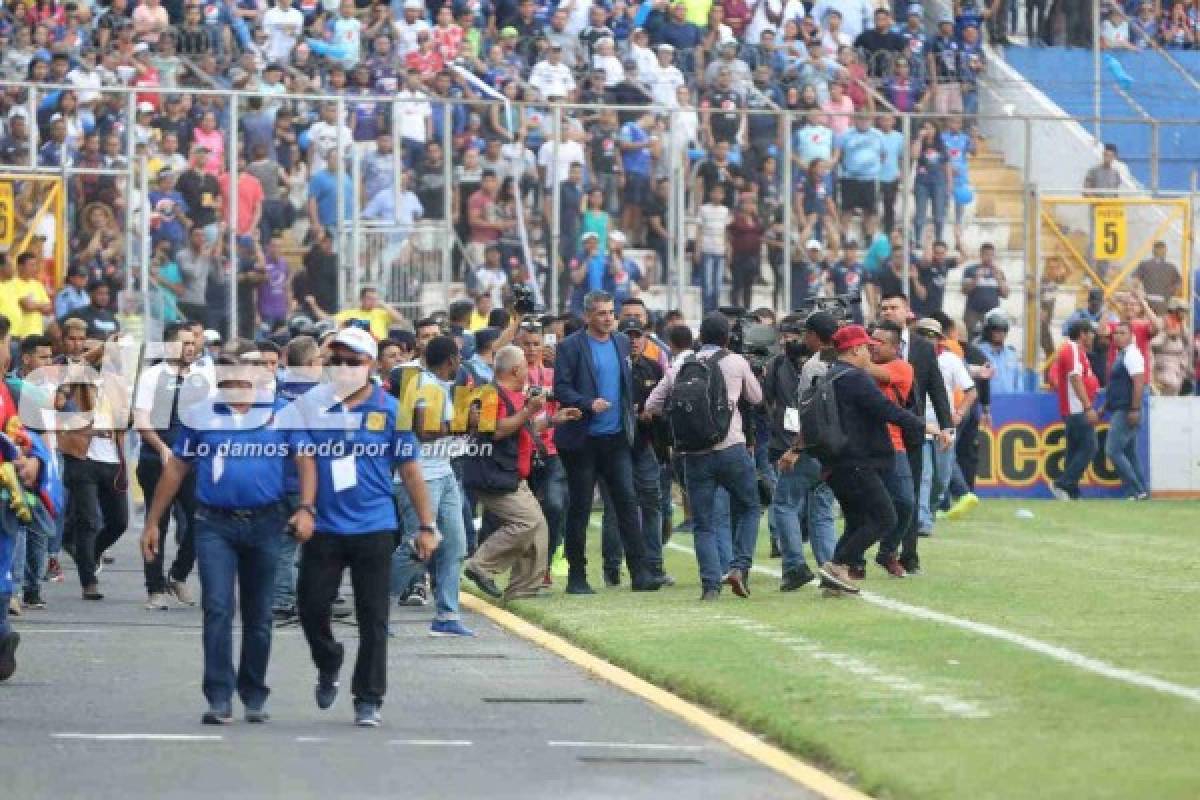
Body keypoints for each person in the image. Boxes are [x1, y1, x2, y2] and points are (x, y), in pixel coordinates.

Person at [141, 353, 315, 724]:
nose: (236, 388)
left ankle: (254, 692)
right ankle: (219, 696)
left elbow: (305, 460)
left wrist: (307, 507)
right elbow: (176, 468)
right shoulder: (201, 415)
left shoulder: (282, 412)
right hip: (214, 524)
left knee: (258, 612)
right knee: (217, 607)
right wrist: (153, 521)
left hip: (266, 522)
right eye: (228, 381)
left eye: (242, 380)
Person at [288, 327, 438, 727]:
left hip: (374, 526)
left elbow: (409, 469)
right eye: (335, 361)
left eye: (352, 361)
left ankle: (368, 697)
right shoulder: (310, 407)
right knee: (311, 607)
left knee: (373, 617)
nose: (343, 368)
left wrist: (426, 525)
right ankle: (329, 659)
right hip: (325, 526)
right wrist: (304, 508)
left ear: (370, 365)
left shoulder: (391, 410)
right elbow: (302, 459)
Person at [644, 312, 763, 601]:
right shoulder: (735, 362)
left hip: (694, 454)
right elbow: (757, 398)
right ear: (726, 337)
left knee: (703, 523)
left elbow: (652, 405)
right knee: (749, 507)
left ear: (700, 338)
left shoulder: (683, 364)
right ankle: (739, 566)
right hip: (731, 447)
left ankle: (710, 585)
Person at [553, 291, 663, 594]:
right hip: (582, 440)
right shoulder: (570, 346)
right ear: (588, 315)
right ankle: (577, 575)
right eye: (601, 313)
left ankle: (640, 572)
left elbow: (629, 384)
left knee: (628, 503)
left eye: (610, 313)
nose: (608, 318)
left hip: (616, 438)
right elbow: (560, 387)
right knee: (581, 507)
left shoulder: (622, 343)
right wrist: (588, 403)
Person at [817, 324, 934, 596]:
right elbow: (884, 409)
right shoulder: (855, 378)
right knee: (885, 517)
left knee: (858, 521)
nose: (870, 352)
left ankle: (834, 580)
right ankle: (836, 565)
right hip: (857, 461)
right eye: (867, 347)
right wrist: (921, 425)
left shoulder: (829, 376)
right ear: (856, 349)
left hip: (836, 462)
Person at [463, 345, 580, 599]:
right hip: (494, 475)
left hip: (511, 474)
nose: (528, 371)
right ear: (516, 369)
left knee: (538, 530)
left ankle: (522, 590)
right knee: (526, 522)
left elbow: (522, 429)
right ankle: (480, 565)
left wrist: (552, 419)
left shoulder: (513, 395)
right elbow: (495, 430)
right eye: (526, 366)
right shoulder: (490, 394)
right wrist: (529, 410)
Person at [390, 335, 473, 636]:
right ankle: (371, 603)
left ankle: (447, 616)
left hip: (444, 471)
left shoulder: (443, 386)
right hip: (420, 477)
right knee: (418, 548)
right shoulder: (423, 386)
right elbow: (423, 430)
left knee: (455, 545)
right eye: (459, 358)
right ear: (451, 360)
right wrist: (458, 425)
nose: (461, 363)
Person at [133, 323, 208, 610]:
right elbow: (142, 421)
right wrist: (164, 449)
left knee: (202, 520)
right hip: (157, 462)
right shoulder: (152, 377)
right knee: (158, 524)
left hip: (193, 462)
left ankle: (178, 574)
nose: (191, 348)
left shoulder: (202, 378)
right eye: (184, 343)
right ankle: (154, 588)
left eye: (193, 343)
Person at [877, 293, 953, 575]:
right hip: (878, 431)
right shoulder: (872, 346)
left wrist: (946, 425)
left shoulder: (922, 347)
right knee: (881, 495)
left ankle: (908, 555)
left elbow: (936, 387)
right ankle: (876, 552)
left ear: (908, 311)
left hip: (910, 431)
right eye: (884, 308)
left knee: (910, 495)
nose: (888, 312)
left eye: (894, 307)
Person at [765, 313, 836, 591]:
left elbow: (808, 413)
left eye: (806, 333)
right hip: (837, 450)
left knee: (784, 503)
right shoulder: (851, 362)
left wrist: (795, 448)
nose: (802, 338)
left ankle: (794, 565)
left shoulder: (813, 367)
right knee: (822, 510)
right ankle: (831, 568)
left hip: (812, 447)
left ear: (816, 336)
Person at [598, 318, 668, 586]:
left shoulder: (653, 368)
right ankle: (612, 569)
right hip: (614, 446)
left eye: (638, 336)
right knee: (615, 508)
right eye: (629, 336)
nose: (634, 341)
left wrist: (653, 416)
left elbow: (665, 405)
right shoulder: (609, 369)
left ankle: (654, 566)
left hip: (643, 446)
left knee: (652, 504)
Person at [1050, 319, 1100, 501]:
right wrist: (1087, 407)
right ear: (1082, 334)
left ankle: (1071, 490)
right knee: (1090, 446)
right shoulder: (1071, 349)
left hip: (1074, 408)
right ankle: (1062, 483)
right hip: (1076, 408)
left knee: (1074, 450)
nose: (1093, 337)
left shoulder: (1077, 351)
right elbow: (1075, 378)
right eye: (1091, 333)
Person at [1105, 320, 1149, 500]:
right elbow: (1119, 384)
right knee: (1129, 452)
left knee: (1113, 450)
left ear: (1131, 335)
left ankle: (1136, 489)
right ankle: (1141, 490)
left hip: (1126, 410)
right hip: (1122, 407)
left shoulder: (1132, 355)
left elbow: (1139, 382)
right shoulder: (1122, 354)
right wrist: (1105, 406)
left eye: (1123, 333)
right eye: (1116, 333)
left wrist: (1134, 409)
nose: (1118, 336)